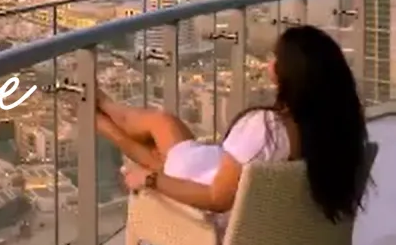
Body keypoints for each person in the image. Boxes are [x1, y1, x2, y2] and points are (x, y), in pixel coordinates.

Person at [97, 25, 369, 221]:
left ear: (291, 73)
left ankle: (101, 109)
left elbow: (217, 199)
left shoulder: (267, 126)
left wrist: (150, 180)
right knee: (163, 127)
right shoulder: (338, 128)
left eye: (277, 58)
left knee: (158, 135)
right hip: (258, 210)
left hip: (214, 203)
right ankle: (103, 113)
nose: (270, 63)